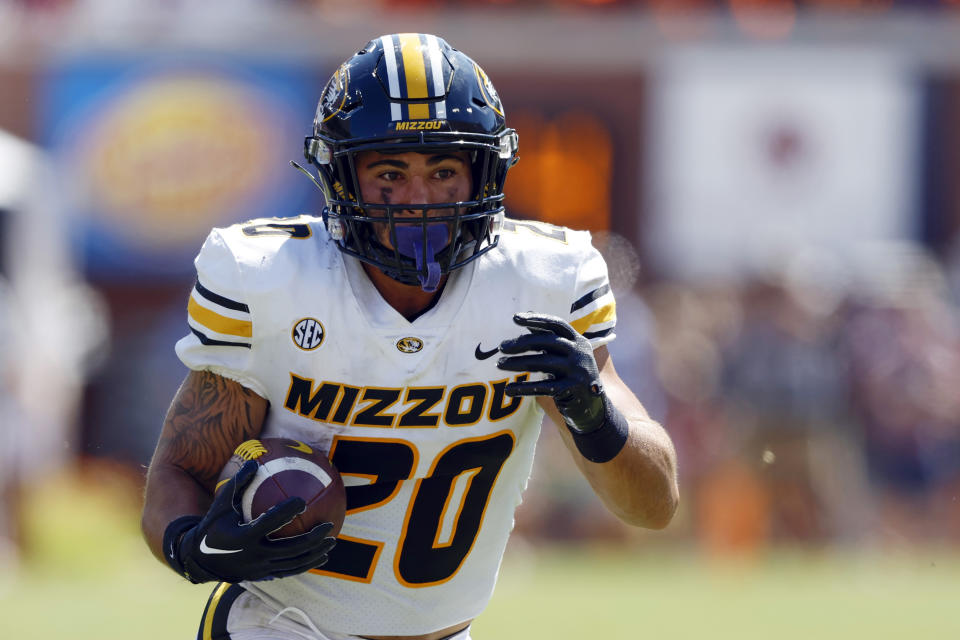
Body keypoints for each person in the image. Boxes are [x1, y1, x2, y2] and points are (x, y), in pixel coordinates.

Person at [141, 33, 678, 640]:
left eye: (444, 170)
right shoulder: (272, 282)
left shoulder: (539, 286)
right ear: (341, 177)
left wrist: (595, 416)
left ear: (484, 175)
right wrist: (192, 546)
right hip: (284, 626)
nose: (419, 201)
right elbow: (180, 471)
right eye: (390, 172)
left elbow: (654, 505)